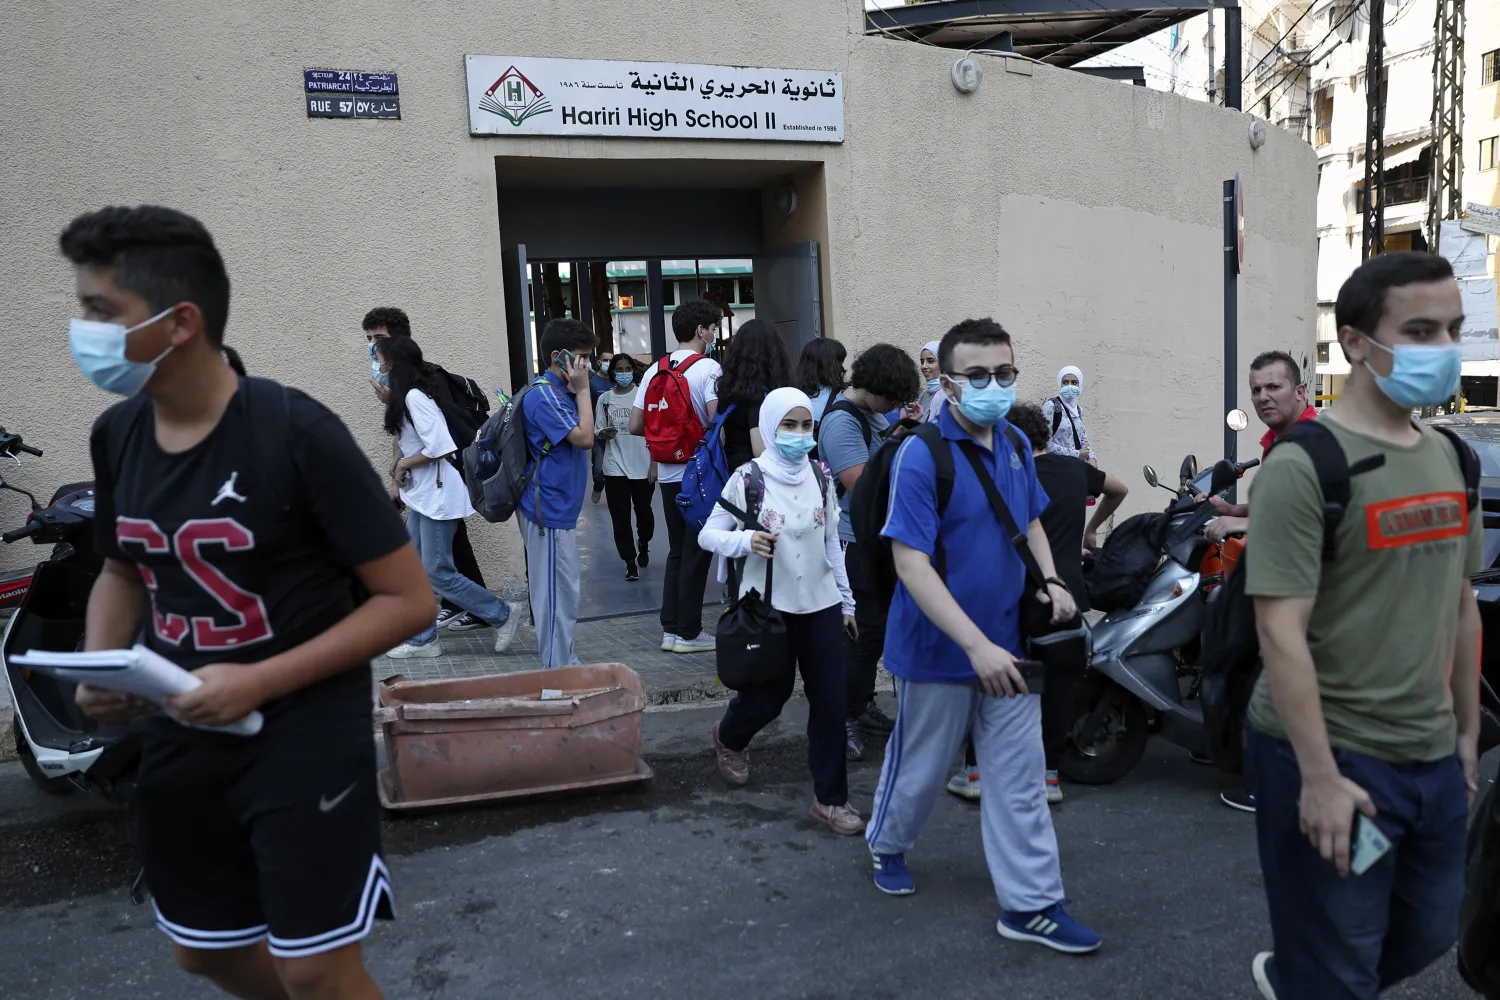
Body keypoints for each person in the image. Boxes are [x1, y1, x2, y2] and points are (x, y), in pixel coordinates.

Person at [64, 205, 436, 999]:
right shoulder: (117, 434)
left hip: (301, 728)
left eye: (101, 311)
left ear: (180, 322)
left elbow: (409, 602)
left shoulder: (294, 431)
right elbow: (121, 570)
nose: (82, 329)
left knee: (315, 969)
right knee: (202, 952)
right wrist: (103, 667)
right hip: (180, 725)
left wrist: (260, 680)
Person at [1243, 252, 1480, 1000]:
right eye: (1418, 330)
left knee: (1433, 929)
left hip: (1432, 756)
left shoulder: (1452, 458)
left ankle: (1300, 978)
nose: (1441, 348)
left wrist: (1467, 736)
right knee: (1342, 961)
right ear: (1353, 343)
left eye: (1451, 330)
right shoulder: (1306, 464)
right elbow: (1279, 631)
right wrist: (1318, 779)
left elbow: (1460, 602)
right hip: (1334, 757)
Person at [864, 317, 1099, 955]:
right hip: (940, 651)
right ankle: (887, 844)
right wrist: (974, 646)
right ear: (946, 381)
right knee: (920, 767)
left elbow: (1030, 522)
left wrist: (1051, 581)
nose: (993, 385)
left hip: (1011, 645)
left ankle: (1032, 905)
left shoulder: (1019, 446)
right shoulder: (922, 455)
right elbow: (910, 563)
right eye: (978, 375)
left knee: (1020, 779)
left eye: (1004, 373)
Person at [700, 387, 863, 836]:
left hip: (822, 605)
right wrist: (743, 540)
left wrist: (846, 602)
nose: (799, 434)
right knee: (769, 697)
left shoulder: (822, 476)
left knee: (830, 704)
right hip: (767, 608)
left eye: (806, 425)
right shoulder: (748, 478)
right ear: (772, 427)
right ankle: (729, 736)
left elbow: (832, 543)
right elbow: (708, 534)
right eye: (789, 425)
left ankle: (831, 800)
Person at [949, 402, 1124, 804]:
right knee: (1060, 686)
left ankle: (977, 769)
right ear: (1045, 435)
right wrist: (1092, 530)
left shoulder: (1002, 474)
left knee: (1001, 680)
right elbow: (1120, 488)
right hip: (1065, 594)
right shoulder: (1075, 470)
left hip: (1014, 593)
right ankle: (1048, 776)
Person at [1197, 350, 1318, 813]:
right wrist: (1234, 511)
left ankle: (1269, 780)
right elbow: (1275, 500)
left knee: (1263, 665)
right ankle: (1229, 742)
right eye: (1256, 390)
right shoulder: (1278, 439)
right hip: (1272, 569)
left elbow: (1300, 514)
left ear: (1299, 391)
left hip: (1297, 580)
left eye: (1274, 387)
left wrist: (1239, 526)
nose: (1264, 397)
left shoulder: (1308, 440)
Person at [378, 337, 520, 659]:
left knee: (436, 570)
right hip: (424, 496)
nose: (378, 367)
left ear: (395, 365)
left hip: (439, 496)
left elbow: (441, 446)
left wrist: (404, 464)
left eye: (381, 361)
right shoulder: (405, 399)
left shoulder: (416, 397)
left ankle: (500, 613)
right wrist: (398, 462)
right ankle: (423, 638)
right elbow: (412, 443)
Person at [817, 343, 923, 760]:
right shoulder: (842, 423)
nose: (893, 406)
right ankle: (842, 716)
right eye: (891, 399)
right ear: (872, 386)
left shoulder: (872, 413)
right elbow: (863, 485)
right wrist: (900, 451)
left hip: (874, 538)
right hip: (852, 539)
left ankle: (860, 705)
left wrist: (896, 430)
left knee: (875, 630)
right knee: (862, 633)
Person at [362, 308, 492, 633]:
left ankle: (486, 611)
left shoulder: (423, 381)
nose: (371, 347)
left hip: (442, 478)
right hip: (423, 484)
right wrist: (398, 473)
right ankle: (445, 615)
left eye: (378, 339)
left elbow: (437, 438)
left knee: (439, 560)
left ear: (399, 341)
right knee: (428, 560)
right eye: (368, 339)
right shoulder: (396, 382)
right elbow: (403, 432)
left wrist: (403, 464)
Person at [630, 299, 724, 654]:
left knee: (676, 552)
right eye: (713, 328)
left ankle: (671, 630)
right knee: (698, 551)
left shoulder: (655, 368)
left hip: (669, 474)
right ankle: (690, 631)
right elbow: (717, 422)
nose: (714, 334)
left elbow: (636, 425)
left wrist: (667, 440)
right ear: (701, 331)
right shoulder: (709, 369)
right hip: (699, 475)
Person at [520, 318, 598, 668]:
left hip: (558, 511)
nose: (587, 365)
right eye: (581, 357)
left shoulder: (558, 393)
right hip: (546, 511)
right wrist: (583, 391)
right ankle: (557, 677)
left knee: (565, 595)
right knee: (554, 599)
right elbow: (584, 438)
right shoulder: (543, 394)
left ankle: (565, 663)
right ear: (558, 356)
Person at [596, 352, 656, 581]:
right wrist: (602, 433)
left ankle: (644, 541)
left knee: (644, 514)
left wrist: (654, 464)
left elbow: (654, 431)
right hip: (614, 467)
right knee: (620, 517)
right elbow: (598, 428)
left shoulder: (643, 395)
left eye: (627, 369)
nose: (623, 373)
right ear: (612, 372)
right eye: (618, 369)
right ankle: (629, 561)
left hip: (642, 465)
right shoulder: (605, 399)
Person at [716, 318, 794, 471]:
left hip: (730, 469)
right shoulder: (758, 396)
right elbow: (760, 450)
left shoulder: (730, 389)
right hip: (753, 478)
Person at [1040, 366, 1093, 461]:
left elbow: (1084, 440)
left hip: (1076, 467)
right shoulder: (1051, 406)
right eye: (1065, 382)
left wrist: (1092, 458)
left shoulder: (1079, 410)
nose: (1069, 386)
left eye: (1074, 382)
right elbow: (1046, 444)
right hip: (1058, 466)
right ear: (1059, 384)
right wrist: (1076, 454)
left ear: (1079, 385)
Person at [797, 337, 847, 423]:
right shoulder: (837, 402)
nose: (842, 367)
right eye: (839, 362)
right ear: (831, 365)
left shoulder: (795, 395)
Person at [589, 351, 614, 506]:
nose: (608, 363)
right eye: (605, 360)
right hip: (598, 432)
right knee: (598, 470)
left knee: (614, 469)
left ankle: (615, 496)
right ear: (599, 362)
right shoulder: (592, 382)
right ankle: (598, 486)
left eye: (611, 360)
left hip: (615, 432)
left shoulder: (616, 381)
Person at [917, 340, 943, 421]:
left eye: (930, 361)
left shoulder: (949, 395)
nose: (924, 366)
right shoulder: (925, 396)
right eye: (922, 361)